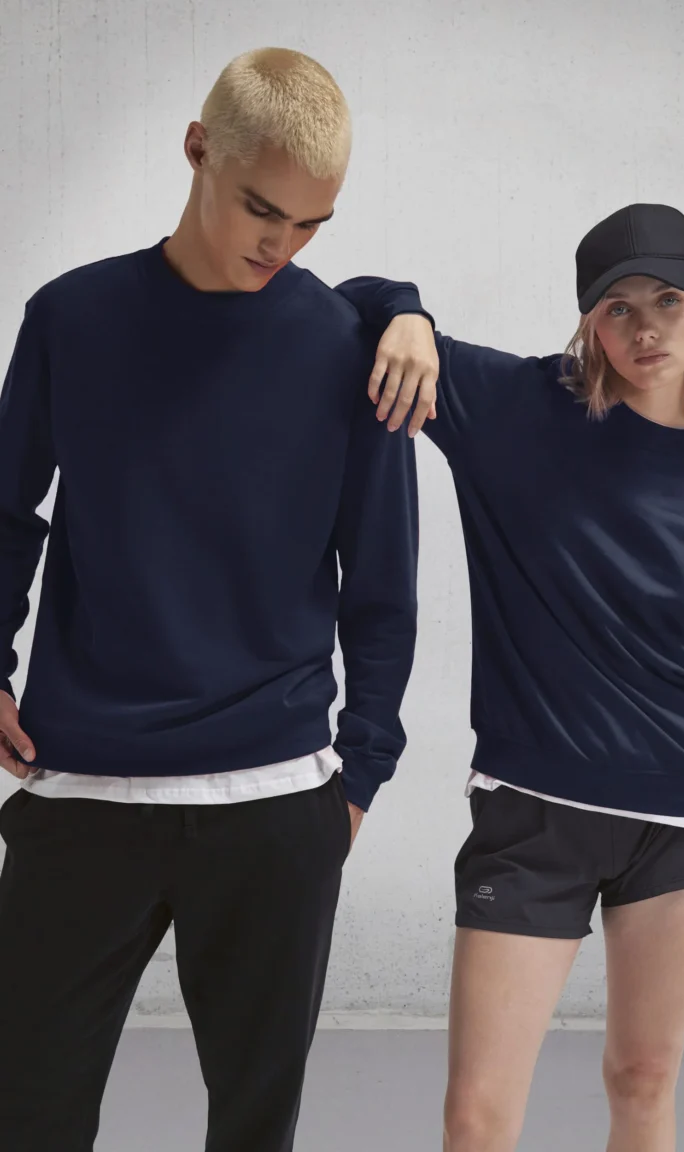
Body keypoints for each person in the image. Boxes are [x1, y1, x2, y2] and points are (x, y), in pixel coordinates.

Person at [0, 48, 418, 1152]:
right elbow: (7, 509)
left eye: (313, 225)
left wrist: (362, 768)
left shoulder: (353, 351)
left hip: (275, 801)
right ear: (198, 150)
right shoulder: (70, 317)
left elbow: (383, 585)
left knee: (253, 1130)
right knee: (27, 1112)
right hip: (83, 787)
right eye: (261, 209)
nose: (282, 246)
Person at [336, 202, 684, 1152]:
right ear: (588, 325)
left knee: (643, 1081)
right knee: (477, 1114)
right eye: (619, 309)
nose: (646, 327)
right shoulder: (516, 409)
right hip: (531, 814)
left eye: (668, 299)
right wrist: (406, 309)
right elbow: (350, 306)